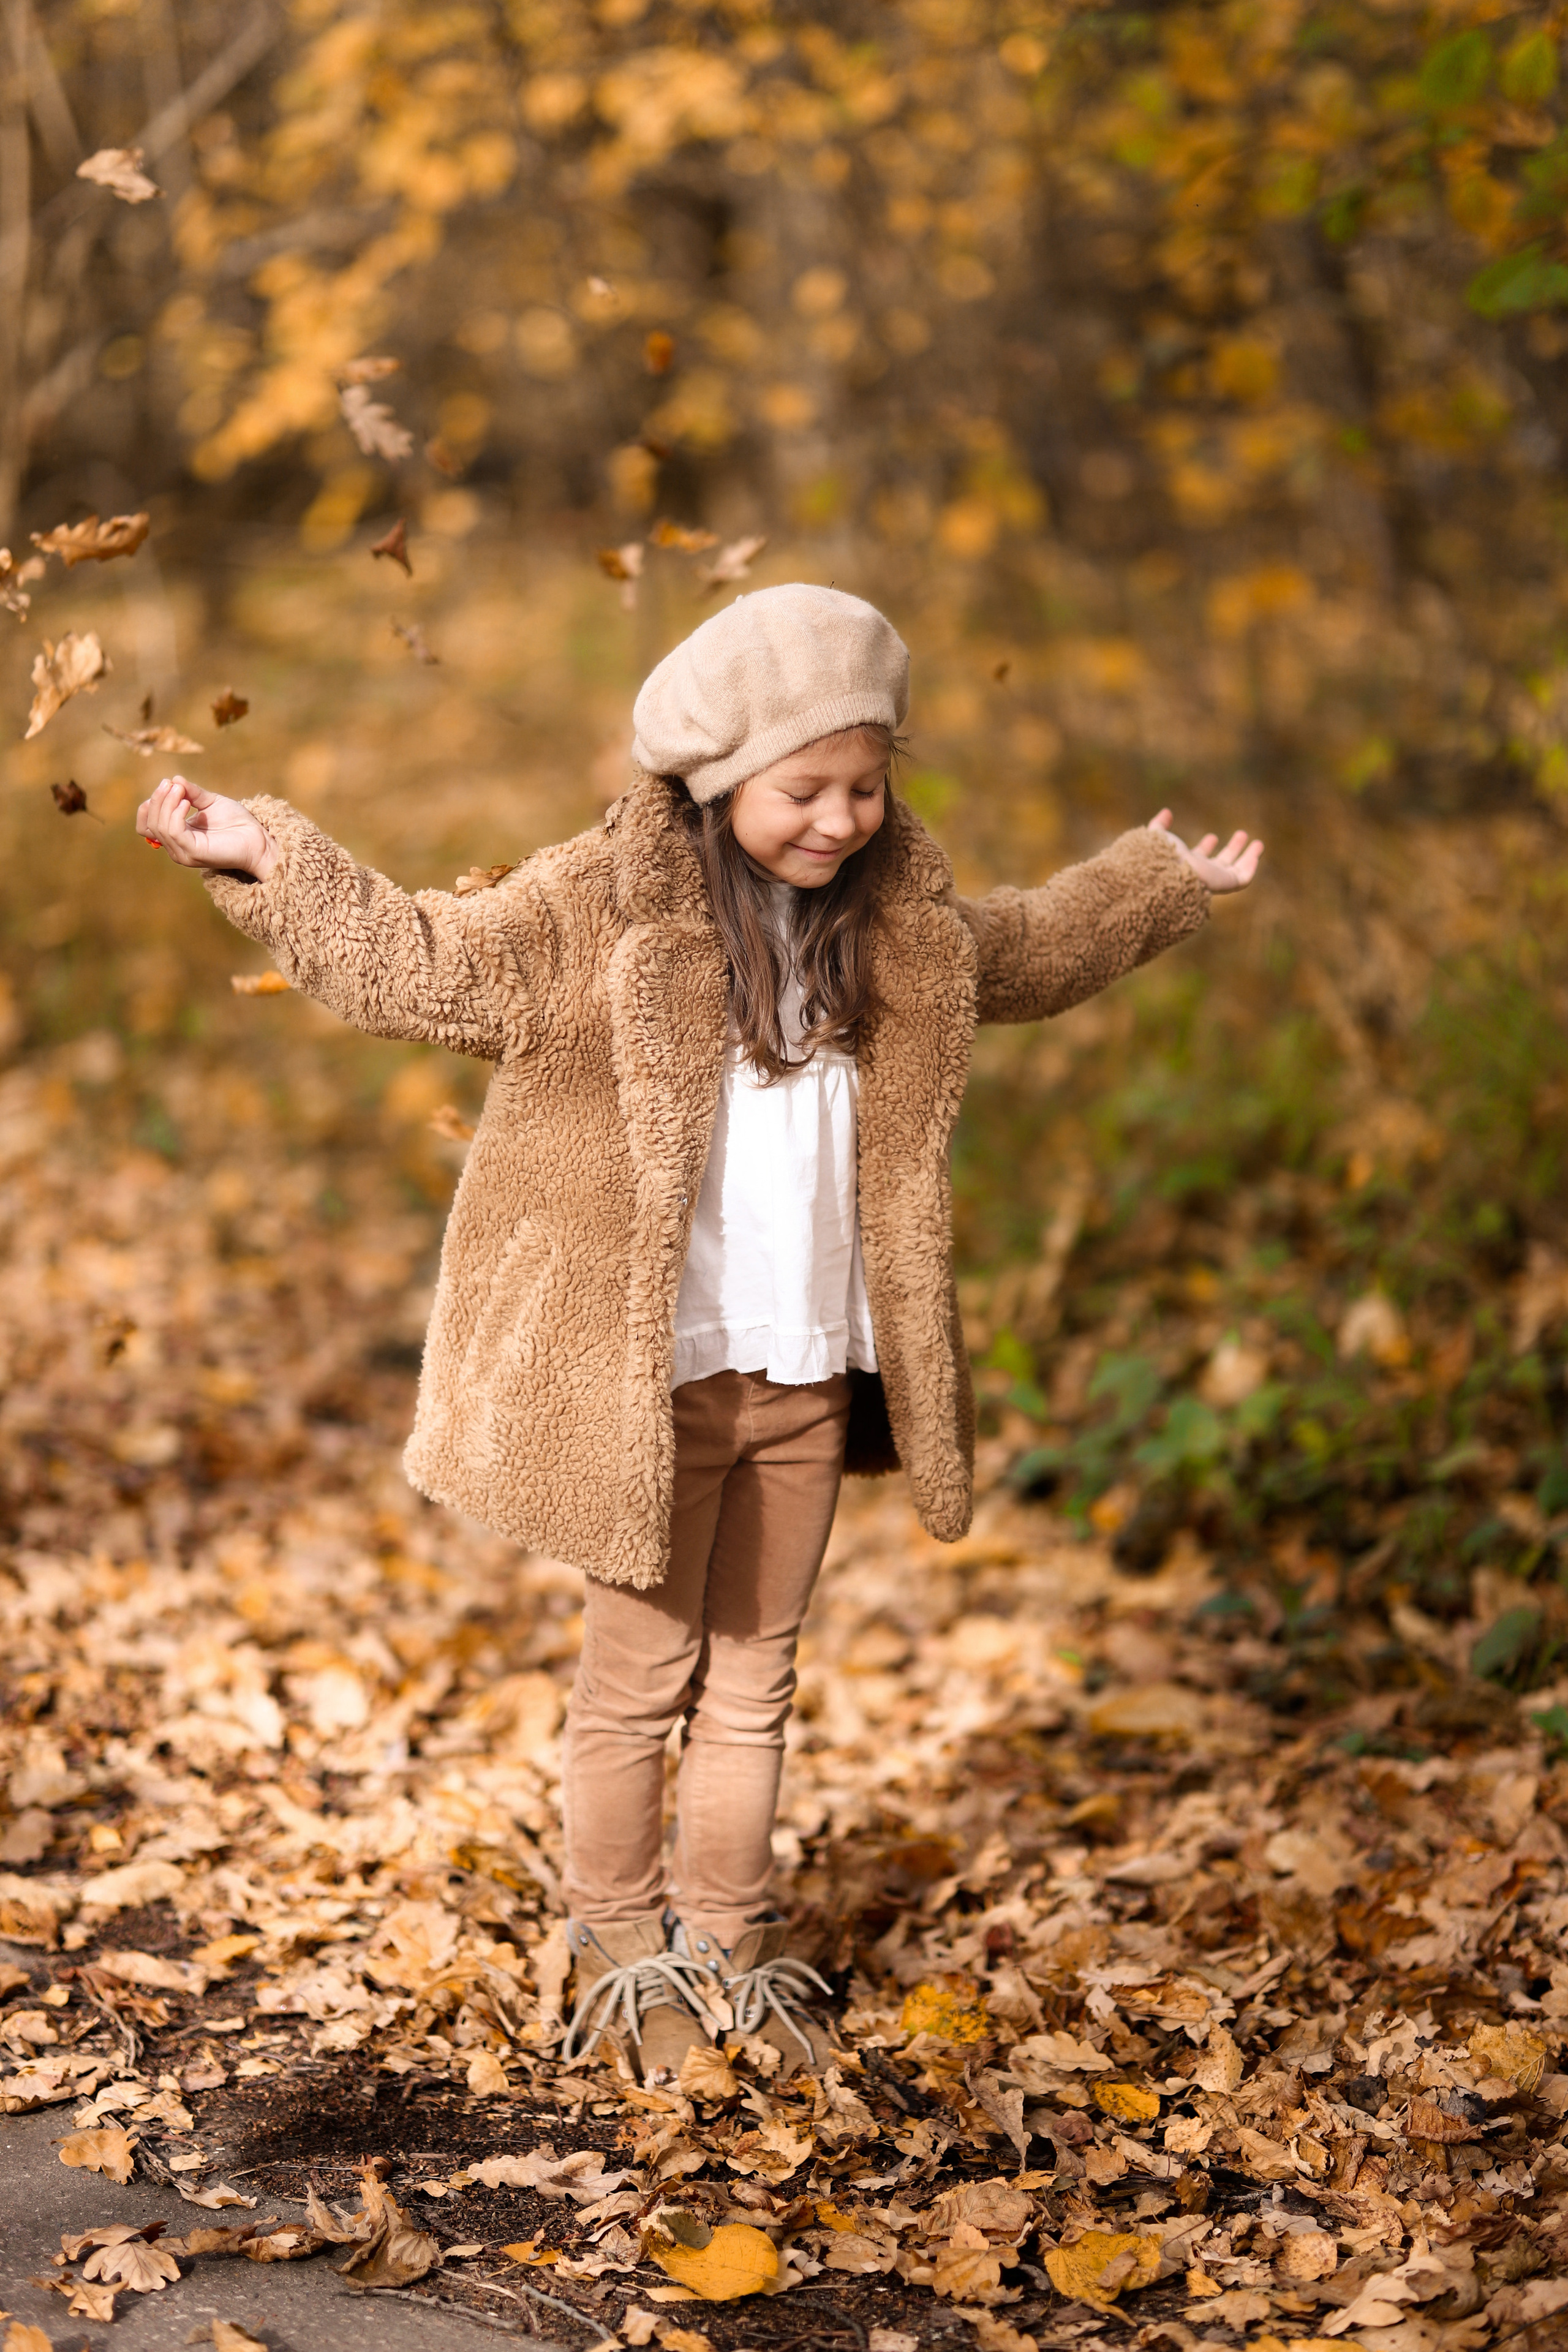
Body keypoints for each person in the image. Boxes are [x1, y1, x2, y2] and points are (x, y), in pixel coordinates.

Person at [137, 582, 1262, 2082]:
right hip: (643, 1380)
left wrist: (1155, 882)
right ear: (722, 774)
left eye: (865, 787)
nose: (838, 820)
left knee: (758, 1676)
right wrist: (271, 858)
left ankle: (720, 1947)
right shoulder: (597, 909)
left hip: (806, 1365)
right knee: (636, 1683)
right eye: (803, 790)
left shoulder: (899, 925)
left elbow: (1027, 948)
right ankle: (614, 1943)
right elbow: (424, 956)